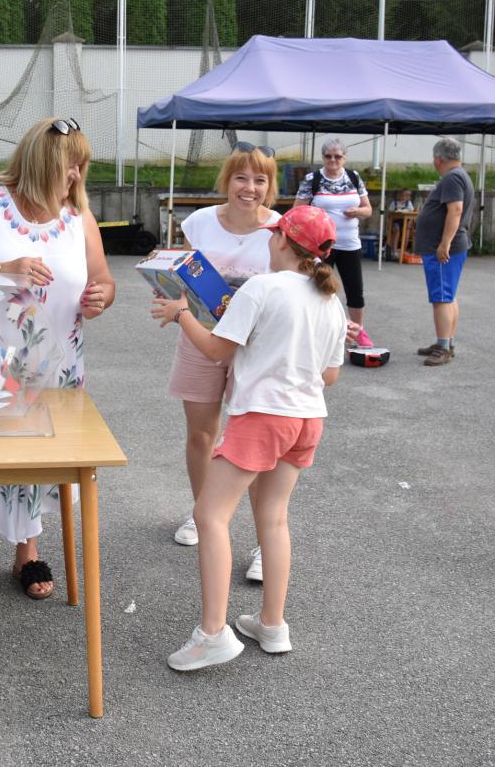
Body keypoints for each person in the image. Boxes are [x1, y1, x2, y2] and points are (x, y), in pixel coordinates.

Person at [151, 205, 347, 671]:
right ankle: (272, 624)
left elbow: (216, 350)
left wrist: (181, 313)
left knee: (210, 514)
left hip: (262, 416)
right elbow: (331, 375)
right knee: (274, 519)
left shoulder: (261, 287)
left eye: (273, 235)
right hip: (307, 418)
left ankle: (212, 634)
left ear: (281, 241)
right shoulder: (330, 301)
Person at [0, 116, 115, 618]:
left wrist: (101, 297)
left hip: (58, 366)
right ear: (42, 161)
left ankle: (27, 554)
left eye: (81, 166)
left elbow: (103, 280)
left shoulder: (79, 216)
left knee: (41, 458)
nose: (76, 175)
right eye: (69, 164)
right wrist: (3, 269)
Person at [168, 142, 280, 586]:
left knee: (253, 443)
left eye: (260, 180)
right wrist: (170, 294)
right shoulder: (198, 222)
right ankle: (204, 514)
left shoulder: (279, 228)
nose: (249, 188)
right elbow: (182, 275)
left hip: (256, 346)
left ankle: (264, 542)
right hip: (200, 338)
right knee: (201, 433)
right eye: (241, 177)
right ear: (227, 181)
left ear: (270, 186)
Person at [295, 138, 374, 346]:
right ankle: (318, 331)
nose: (333, 160)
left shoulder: (353, 177)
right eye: (328, 156)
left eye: (337, 156)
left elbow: (368, 210)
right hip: (322, 246)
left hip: (350, 244)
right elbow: (297, 211)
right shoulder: (313, 179)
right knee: (318, 288)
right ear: (323, 157)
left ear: (344, 158)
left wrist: (357, 211)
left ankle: (358, 331)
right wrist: (316, 216)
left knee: (355, 290)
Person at [415, 137, 474, 366]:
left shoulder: (452, 178)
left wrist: (444, 243)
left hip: (443, 247)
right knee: (448, 296)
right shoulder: (460, 175)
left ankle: (443, 348)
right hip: (449, 245)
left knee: (441, 298)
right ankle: (446, 342)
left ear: (438, 159)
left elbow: (455, 210)